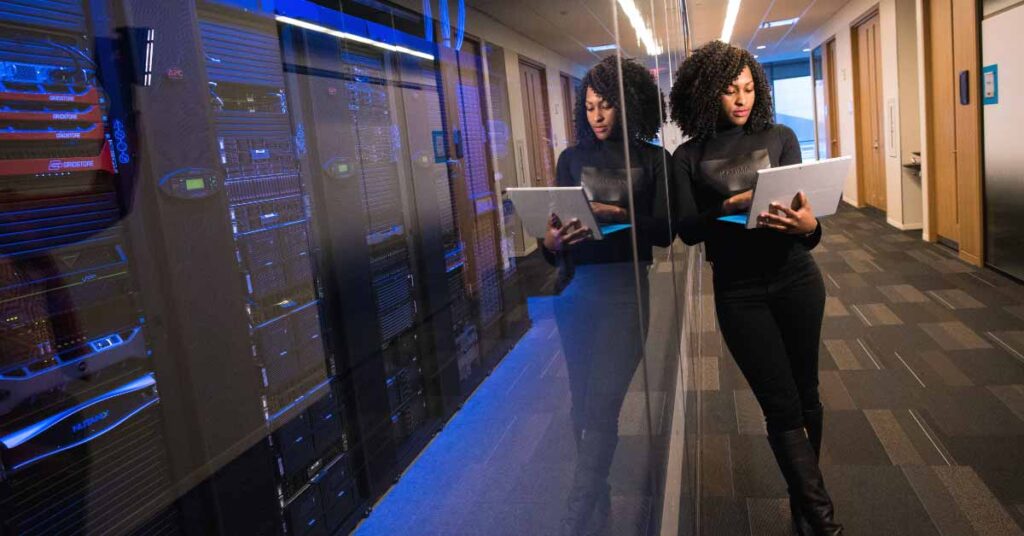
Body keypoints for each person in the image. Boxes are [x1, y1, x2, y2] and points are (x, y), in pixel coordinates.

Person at [668, 41, 843, 536]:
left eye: (748, 88)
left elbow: (807, 231)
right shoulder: (688, 155)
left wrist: (808, 224)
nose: (741, 99)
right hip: (739, 292)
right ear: (706, 94)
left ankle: (804, 502)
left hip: (795, 278)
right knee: (779, 402)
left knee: (806, 392)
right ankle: (825, 520)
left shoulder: (782, 136)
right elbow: (686, 228)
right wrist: (730, 205)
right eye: (729, 91)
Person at [540, 55, 672, 535]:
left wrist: (614, 213)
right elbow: (553, 233)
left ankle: (576, 511)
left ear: (629, 105)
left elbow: (664, 233)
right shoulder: (570, 159)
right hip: (576, 290)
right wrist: (550, 243)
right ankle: (596, 493)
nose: (597, 116)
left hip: (625, 291)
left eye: (606, 106)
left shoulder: (654, 159)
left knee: (604, 402)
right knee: (581, 400)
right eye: (590, 106)